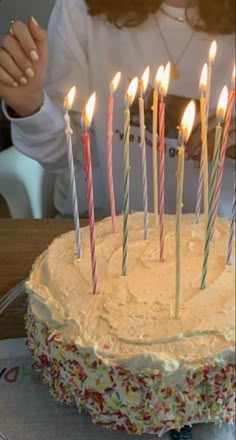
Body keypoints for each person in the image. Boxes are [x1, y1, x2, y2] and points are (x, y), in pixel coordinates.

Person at [0, 0, 235, 220]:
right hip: (103, 232)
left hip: (220, 238)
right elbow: (69, 154)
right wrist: (31, 105)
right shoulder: (79, 10)